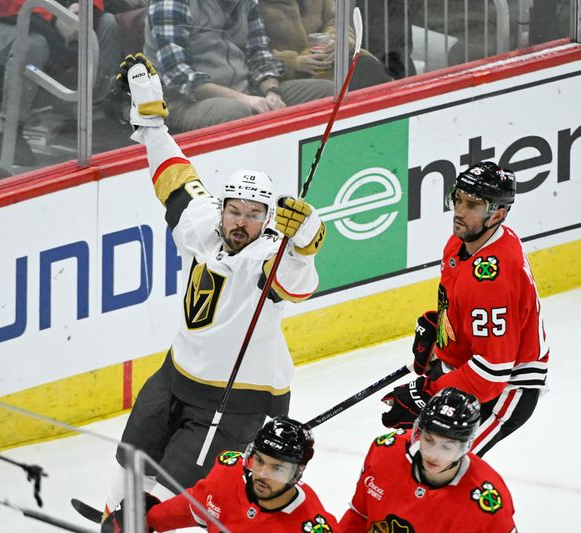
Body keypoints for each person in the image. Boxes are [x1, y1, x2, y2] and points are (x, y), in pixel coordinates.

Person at [104, 53, 325, 514]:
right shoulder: (204, 222)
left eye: (254, 215)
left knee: (179, 497)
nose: (241, 222)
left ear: (268, 221)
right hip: (176, 373)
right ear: (222, 207)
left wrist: (303, 240)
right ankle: (119, 517)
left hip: (239, 397)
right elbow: (174, 176)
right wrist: (150, 118)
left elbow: (296, 283)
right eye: (235, 210)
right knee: (130, 463)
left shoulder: (268, 254)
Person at [380, 161, 549, 457]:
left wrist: (429, 393)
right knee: (415, 462)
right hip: (472, 369)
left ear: (497, 214)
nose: (459, 211)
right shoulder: (463, 243)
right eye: (457, 198)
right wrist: (441, 334)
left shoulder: (492, 279)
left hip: (507, 388)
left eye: (472, 205)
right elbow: (462, 305)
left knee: (438, 463)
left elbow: (491, 373)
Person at [104, 416, 338, 532]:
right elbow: (197, 504)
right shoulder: (228, 474)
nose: (263, 474)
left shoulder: (311, 526)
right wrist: (147, 518)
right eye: (259, 461)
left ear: (296, 474)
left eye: (277, 468)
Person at [0, 0, 121, 165]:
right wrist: (54, 18)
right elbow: (0, 3)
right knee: (31, 45)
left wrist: (81, 8)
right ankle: (9, 130)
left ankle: (95, 107)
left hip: (43, 13)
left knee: (107, 22)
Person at [141, 0, 334, 132]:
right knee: (237, 113)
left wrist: (272, 92)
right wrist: (245, 99)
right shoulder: (170, 2)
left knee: (328, 92)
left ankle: (317, 169)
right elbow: (179, 77)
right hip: (180, 102)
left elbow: (260, 54)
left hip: (245, 90)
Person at [342, 388, 517, 531]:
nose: (433, 454)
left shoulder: (488, 503)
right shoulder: (385, 451)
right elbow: (358, 517)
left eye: (446, 447)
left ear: (466, 446)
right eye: (428, 440)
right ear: (419, 431)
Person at [258, 0, 392, 90]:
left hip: (330, 63)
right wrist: (294, 63)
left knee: (369, 67)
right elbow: (252, 54)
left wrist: (335, 39)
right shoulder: (255, 4)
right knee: (327, 89)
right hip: (283, 77)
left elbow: (335, 21)